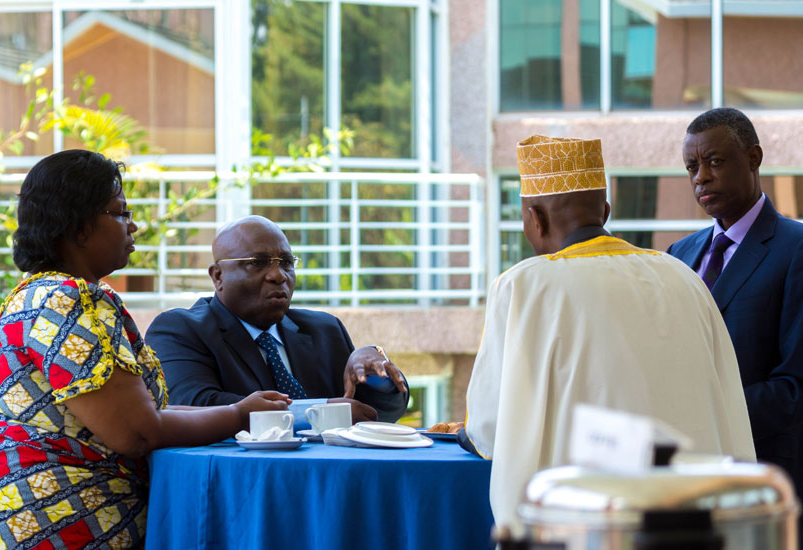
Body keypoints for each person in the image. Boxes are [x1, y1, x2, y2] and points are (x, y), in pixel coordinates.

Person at [0, 150, 291, 550]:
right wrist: (236, 415)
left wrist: (245, 408)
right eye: (120, 213)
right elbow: (137, 432)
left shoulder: (47, 296)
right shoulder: (66, 301)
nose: (134, 225)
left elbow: (145, 412)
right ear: (78, 228)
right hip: (60, 526)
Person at [463, 135, 755, 530]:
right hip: (689, 524)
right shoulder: (683, 278)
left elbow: (488, 429)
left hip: (585, 526)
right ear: (605, 210)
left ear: (535, 218)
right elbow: (729, 407)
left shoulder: (525, 287)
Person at [145, 215, 409, 424]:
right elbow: (196, 406)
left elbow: (376, 412)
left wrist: (376, 374)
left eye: (286, 262)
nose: (278, 275)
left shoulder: (325, 330)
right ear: (218, 277)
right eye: (257, 263)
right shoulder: (180, 330)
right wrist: (321, 413)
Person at [667, 107, 803, 500]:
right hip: (686, 478)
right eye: (691, 166)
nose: (700, 177)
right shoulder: (680, 254)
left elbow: (795, 387)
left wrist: (702, 414)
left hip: (764, 483)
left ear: (754, 158)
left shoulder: (795, 249)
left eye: (714, 162)